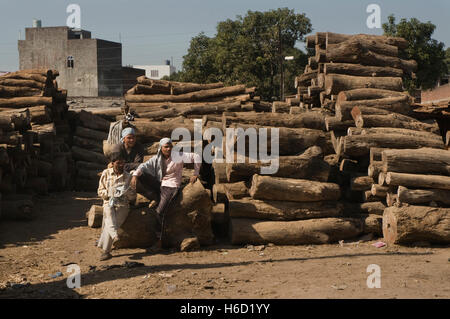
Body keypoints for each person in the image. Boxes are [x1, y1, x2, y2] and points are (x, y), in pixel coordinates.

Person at [130, 137, 201, 248]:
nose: (168, 149)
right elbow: (143, 166)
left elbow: (196, 156)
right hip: (160, 184)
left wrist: (196, 173)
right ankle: (155, 197)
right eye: (166, 147)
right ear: (161, 148)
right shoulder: (157, 158)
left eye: (170, 146)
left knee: (160, 212)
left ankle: (159, 241)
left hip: (171, 186)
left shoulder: (178, 156)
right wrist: (134, 176)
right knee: (139, 174)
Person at [97, 144, 136, 261]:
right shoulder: (106, 173)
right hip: (108, 201)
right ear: (112, 163)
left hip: (123, 205)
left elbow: (133, 196)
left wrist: (127, 191)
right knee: (108, 212)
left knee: (111, 222)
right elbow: (100, 191)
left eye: (123, 163)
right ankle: (108, 248)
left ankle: (105, 246)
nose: (121, 165)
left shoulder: (128, 176)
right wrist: (109, 193)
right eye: (118, 163)